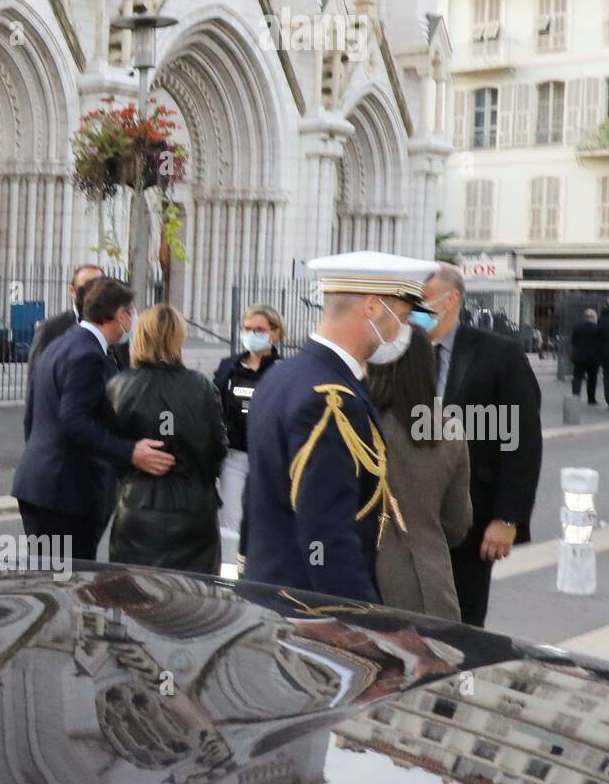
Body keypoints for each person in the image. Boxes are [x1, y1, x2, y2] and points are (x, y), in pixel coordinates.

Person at [244, 251, 438, 604]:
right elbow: (326, 537)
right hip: (310, 617)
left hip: (271, 596)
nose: (403, 330)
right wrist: (364, 627)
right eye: (404, 315)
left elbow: (255, 498)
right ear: (373, 307)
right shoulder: (331, 398)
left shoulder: (283, 375)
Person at [12, 276, 175, 563]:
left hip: (43, 484)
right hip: (64, 492)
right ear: (120, 314)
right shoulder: (87, 354)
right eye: (131, 313)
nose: (132, 321)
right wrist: (130, 452)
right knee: (67, 585)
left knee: (50, 582)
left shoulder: (63, 343)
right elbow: (74, 421)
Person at [421, 263, 543, 627]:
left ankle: (461, 684)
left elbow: (521, 443)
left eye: (422, 302)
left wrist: (508, 518)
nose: (414, 311)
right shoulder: (399, 354)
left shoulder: (498, 354)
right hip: (411, 518)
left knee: (463, 622)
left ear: (451, 299)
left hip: (473, 517)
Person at [105, 303, 227, 573]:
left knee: (134, 598)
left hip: (136, 506)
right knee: (193, 601)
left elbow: (106, 446)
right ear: (178, 338)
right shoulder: (201, 386)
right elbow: (217, 448)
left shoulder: (119, 386)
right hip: (193, 510)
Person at [365, 326, 472, 621]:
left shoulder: (360, 421)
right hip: (431, 583)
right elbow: (457, 522)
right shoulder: (448, 428)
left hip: (367, 580)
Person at [213, 302, 285, 543]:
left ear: (275, 333)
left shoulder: (283, 370)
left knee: (266, 522)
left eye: (259, 330)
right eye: (247, 328)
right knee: (232, 523)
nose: (252, 334)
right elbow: (214, 405)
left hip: (269, 459)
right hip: (234, 456)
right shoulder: (229, 367)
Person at [26, 263, 130, 383]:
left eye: (98, 287)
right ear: (72, 291)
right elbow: (35, 378)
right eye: (87, 287)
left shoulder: (114, 327)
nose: (93, 293)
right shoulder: (51, 329)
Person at [570, 308, 602, 406]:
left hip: (579, 357)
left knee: (577, 377)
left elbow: (573, 340)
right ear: (593, 317)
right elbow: (600, 343)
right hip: (593, 358)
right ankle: (591, 399)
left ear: (585, 317)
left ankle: (575, 397)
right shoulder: (597, 328)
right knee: (592, 379)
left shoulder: (577, 327)